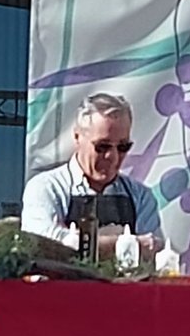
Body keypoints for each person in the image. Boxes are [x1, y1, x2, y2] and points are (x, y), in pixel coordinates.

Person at [21, 93, 161, 255]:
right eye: (102, 146)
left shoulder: (141, 196)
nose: (112, 157)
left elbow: (153, 252)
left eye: (123, 147)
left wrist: (78, 242)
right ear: (77, 138)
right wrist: (130, 244)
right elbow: (42, 244)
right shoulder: (46, 187)